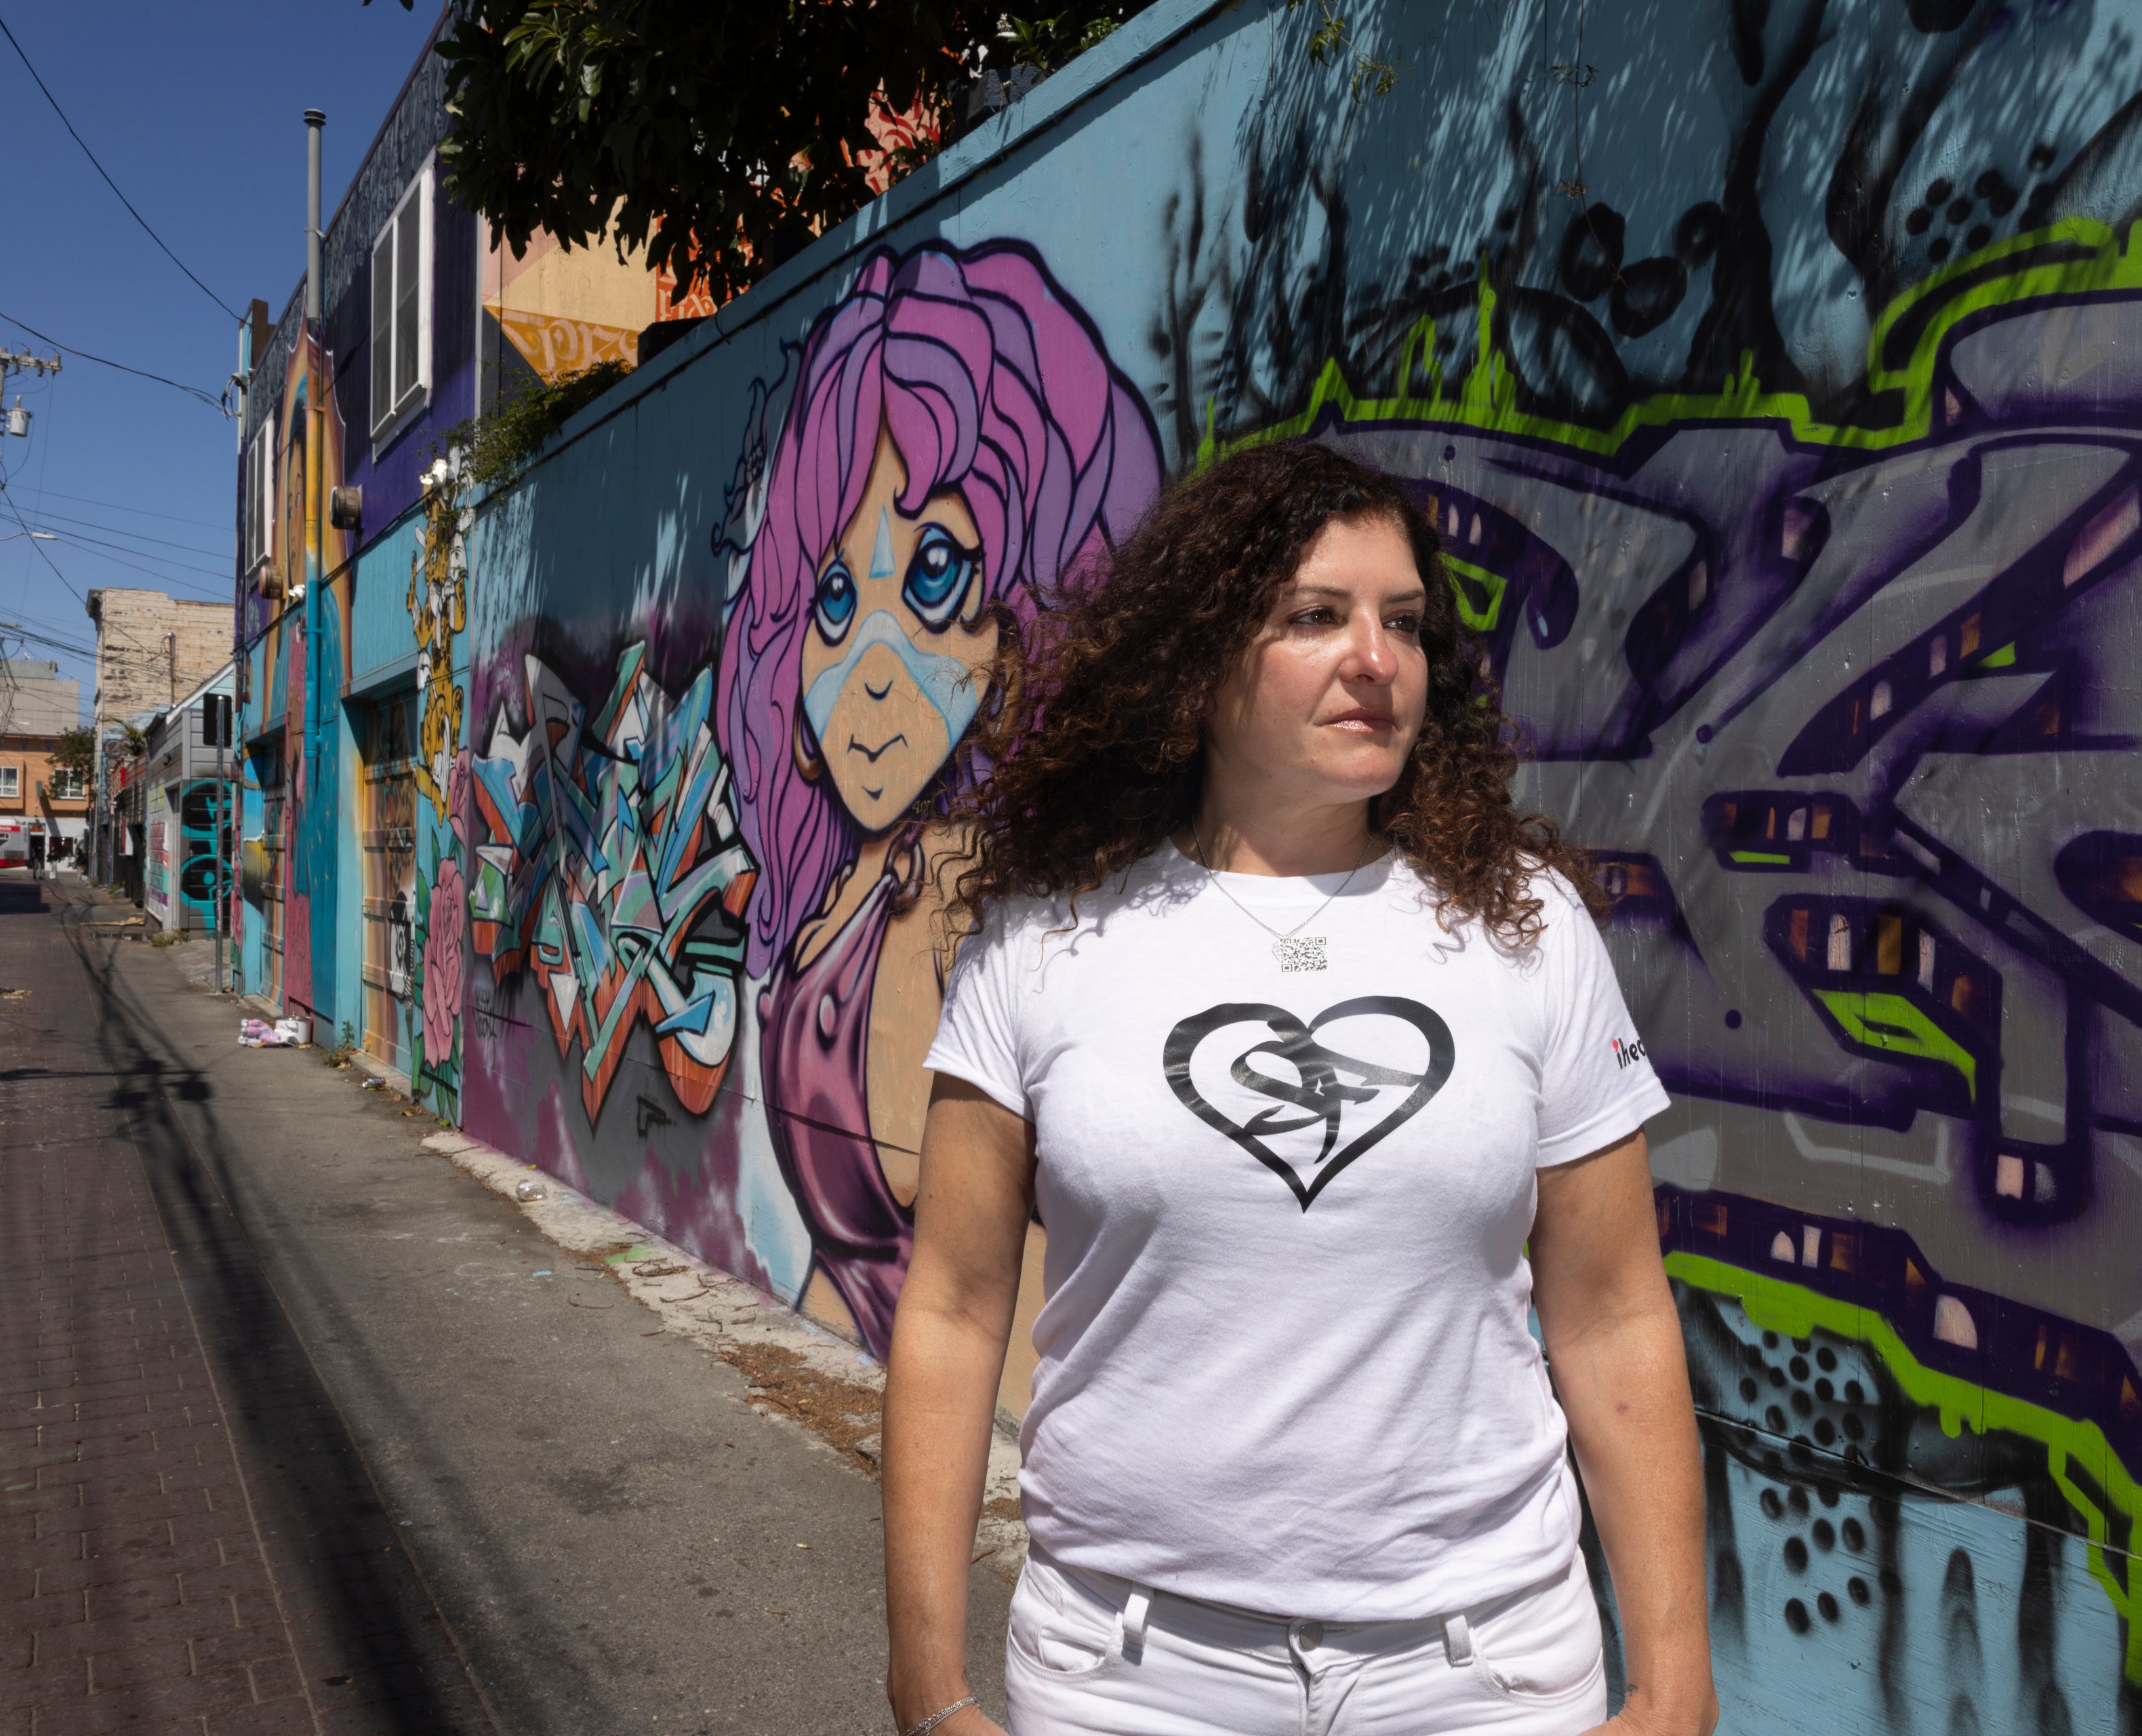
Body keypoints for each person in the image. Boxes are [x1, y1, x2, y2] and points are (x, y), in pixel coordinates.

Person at [882, 443, 1716, 1736]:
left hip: (1483, 1670)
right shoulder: (1048, 939)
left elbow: (1611, 1313)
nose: (1376, 658)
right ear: (1203, 664)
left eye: (1403, 623)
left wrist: (1675, 1681)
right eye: (1317, 617)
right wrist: (928, 1689)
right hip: (1131, 1676)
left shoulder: (1526, 928)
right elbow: (949, 1308)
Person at [716, 241, 1158, 1354]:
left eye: (933, 573)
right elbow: (848, 1269)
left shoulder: (962, 899)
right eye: (831, 595)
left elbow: (1000, 1296)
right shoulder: (852, 887)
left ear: (1025, 619)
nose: (871, 664)